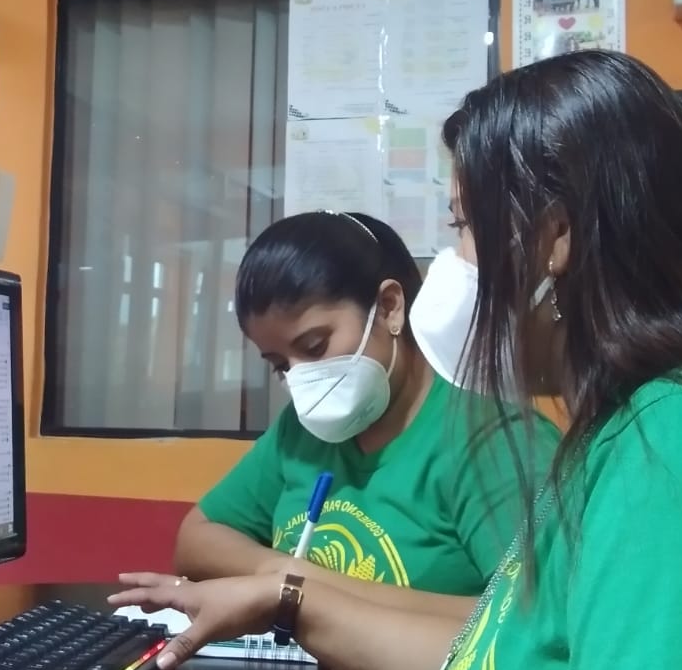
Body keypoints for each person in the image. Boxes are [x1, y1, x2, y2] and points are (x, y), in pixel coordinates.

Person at [40, 51, 682, 670]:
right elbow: (509, 653)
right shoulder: (635, 437)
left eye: (464, 227)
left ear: (556, 235)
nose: (452, 264)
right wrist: (288, 600)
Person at [172, 210, 560, 619]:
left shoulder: (494, 443)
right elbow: (196, 540)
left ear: (389, 307)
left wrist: (301, 590)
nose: (301, 380)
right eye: (280, 365)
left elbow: (527, 621)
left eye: (315, 346)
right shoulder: (299, 435)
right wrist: (281, 574)